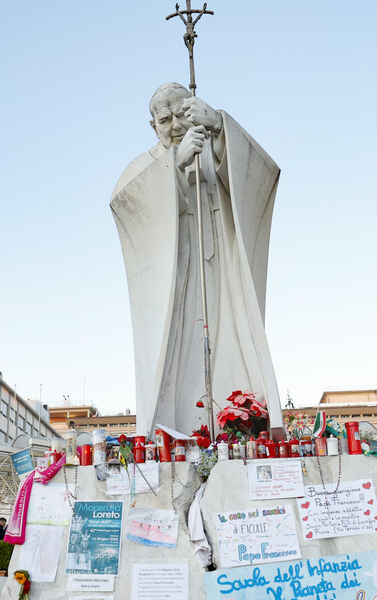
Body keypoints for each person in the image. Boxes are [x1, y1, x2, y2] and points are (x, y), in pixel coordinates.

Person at [110, 83, 283, 437]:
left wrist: (219, 125)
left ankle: (239, 424)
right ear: (152, 125)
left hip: (221, 269)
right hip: (173, 276)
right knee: (177, 350)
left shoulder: (212, 146)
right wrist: (173, 166)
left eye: (181, 115)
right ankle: (178, 429)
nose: (174, 125)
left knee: (231, 336)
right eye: (164, 119)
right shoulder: (143, 167)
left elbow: (262, 173)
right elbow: (125, 205)